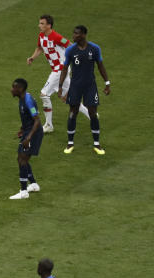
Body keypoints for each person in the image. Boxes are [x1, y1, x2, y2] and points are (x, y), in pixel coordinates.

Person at [26, 14, 90, 133]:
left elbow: (70, 45)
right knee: (67, 98)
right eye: (39, 23)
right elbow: (39, 48)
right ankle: (92, 115)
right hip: (56, 68)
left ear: (49, 25)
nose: (39, 25)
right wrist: (32, 57)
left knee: (44, 94)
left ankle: (49, 125)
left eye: (42, 23)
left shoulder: (56, 36)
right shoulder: (41, 36)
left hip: (60, 68)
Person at [57, 25, 110, 155]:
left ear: (83, 35)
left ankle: (97, 144)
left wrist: (107, 83)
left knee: (92, 112)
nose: (74, 36)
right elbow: (64, 69)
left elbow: (100, 66)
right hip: (75, 86)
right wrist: (60, 86)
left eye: (76, 34)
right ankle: (70, 143)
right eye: (74, 33)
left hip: (90, 86)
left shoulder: (95, 49)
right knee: (73, 112)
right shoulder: (70, 50)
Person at [9, 78, 45, 200]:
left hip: (33, 133)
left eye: (14, 87)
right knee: (20, 157)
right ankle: (34, 185)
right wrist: (22, 129)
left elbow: (37, 120)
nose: (11, 90)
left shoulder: (28, 101)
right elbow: (28, 119)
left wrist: (28, 138)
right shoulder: (22, 98)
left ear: (20, 89)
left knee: (23, 159)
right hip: (28, 131)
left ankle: (24, 192)